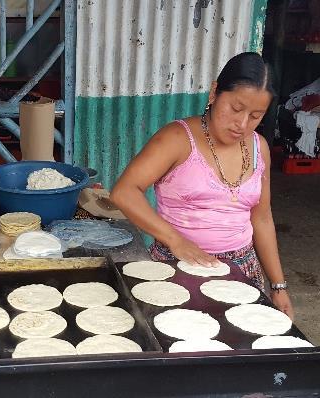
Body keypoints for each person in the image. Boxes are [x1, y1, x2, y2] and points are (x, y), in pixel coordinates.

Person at [110, 52, 294, 319]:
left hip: (243, 272)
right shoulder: (177, 138)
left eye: (256, 115)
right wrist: (175, 240)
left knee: (238, 352)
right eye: (235, 108)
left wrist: (278, 286)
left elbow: (262, 217)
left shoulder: (259, 147)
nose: (242, 124)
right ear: (214, 93)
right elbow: (124, 191)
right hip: (178, 267)